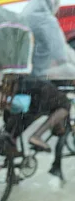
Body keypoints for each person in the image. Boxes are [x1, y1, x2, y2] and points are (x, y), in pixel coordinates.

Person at [19, 0, 75, 163]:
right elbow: (61, 55)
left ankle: (11, 146)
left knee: (34, 109)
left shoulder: (25, 17)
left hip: (20, 78)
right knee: (64, 104)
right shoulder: (45, 21)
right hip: (35, 80)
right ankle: (37, 136)